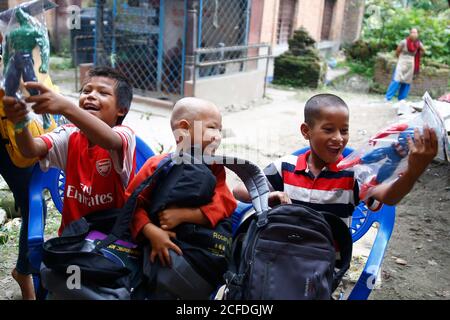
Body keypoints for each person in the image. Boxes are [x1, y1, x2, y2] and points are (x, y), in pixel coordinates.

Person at [3, 66, 135, 299]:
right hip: (72, 243)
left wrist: (66, 106)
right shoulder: (69, 135)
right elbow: (30, 150)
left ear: (121, 110)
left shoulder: (124, 136)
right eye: (86, 90)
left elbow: (109, 140)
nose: (91, 95)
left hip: (113, 244)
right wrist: (20, 123)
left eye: (103, 93)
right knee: (65, 289)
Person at [233, 93, 438, 226]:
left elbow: (389, 197)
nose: (339, 138)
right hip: (282, 251)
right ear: (306, 131)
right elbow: (240, 190)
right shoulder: (286, 166)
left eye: (344, 130)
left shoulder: (356, 173)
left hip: (326, 263)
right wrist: (270, 196)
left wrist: (413, 171)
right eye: (329, 130)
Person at [127, 97, 236, 267]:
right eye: (212, 128)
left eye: (220, 130)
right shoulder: (158, 166)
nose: (218, 136)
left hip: (197, 248)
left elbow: (226, 201)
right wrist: (151, 231)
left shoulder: (214, 168)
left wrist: (186, 215)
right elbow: (131, 202)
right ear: (184, 128)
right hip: (156, 245)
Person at [385, 28, 425, 101]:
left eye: (415, 33)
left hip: (411, 62)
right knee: (396, 79)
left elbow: (423, 50)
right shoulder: (404, 42)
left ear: (418, 34)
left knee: (407, 81)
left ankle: (402, 98)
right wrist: (400, 58)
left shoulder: (418, 43)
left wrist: (417, 56)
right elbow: (397, 52)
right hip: (402, 61)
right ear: (410, 33)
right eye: (412, 32)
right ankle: (388, 97)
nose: (414, 34)